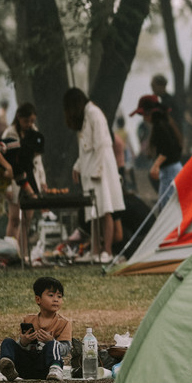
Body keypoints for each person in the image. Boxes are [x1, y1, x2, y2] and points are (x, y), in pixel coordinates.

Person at [64, 88, 123, 263]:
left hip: (101, 170)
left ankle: (107, 251)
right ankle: (95, 250)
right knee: (93, 212)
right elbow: (85, 149)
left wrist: (97, 171)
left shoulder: (94, 113)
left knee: (106, 209)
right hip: (90, 170)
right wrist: (78, 166)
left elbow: (102, 144)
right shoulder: (86, 116)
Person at [0, 276, 73, 381]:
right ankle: (8, 368)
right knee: (7, 341)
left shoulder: (64, 323)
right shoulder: (28, 319)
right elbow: (20, 347)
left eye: (59, 296)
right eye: (51, 295)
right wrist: (23, 342)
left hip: (46, 368)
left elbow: (66, 350)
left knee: (53, 343)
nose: (56, 299)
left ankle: (56, 368)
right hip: (24, 367)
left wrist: (50, 342)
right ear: (38, 299)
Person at [1, 103, 47, 250]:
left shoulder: (34, 133)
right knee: (14, 219)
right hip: (14, 179)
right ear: (19, 118)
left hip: (31, 178)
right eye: (26, 121)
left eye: (32, 121)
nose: (29, 124)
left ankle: (23, 253)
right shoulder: (9, 134)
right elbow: (5, 162)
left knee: (27, 219)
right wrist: (7, 186)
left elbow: (38, 160)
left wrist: (42, 181)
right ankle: (9, 252)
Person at [132, 96, 183, 204]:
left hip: (170, 171)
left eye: (144, 114)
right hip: (171, 170)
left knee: (166, 207)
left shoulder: (160, 126)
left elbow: (167, 149)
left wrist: (156, 165)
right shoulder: (164, 124)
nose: (143, 118)